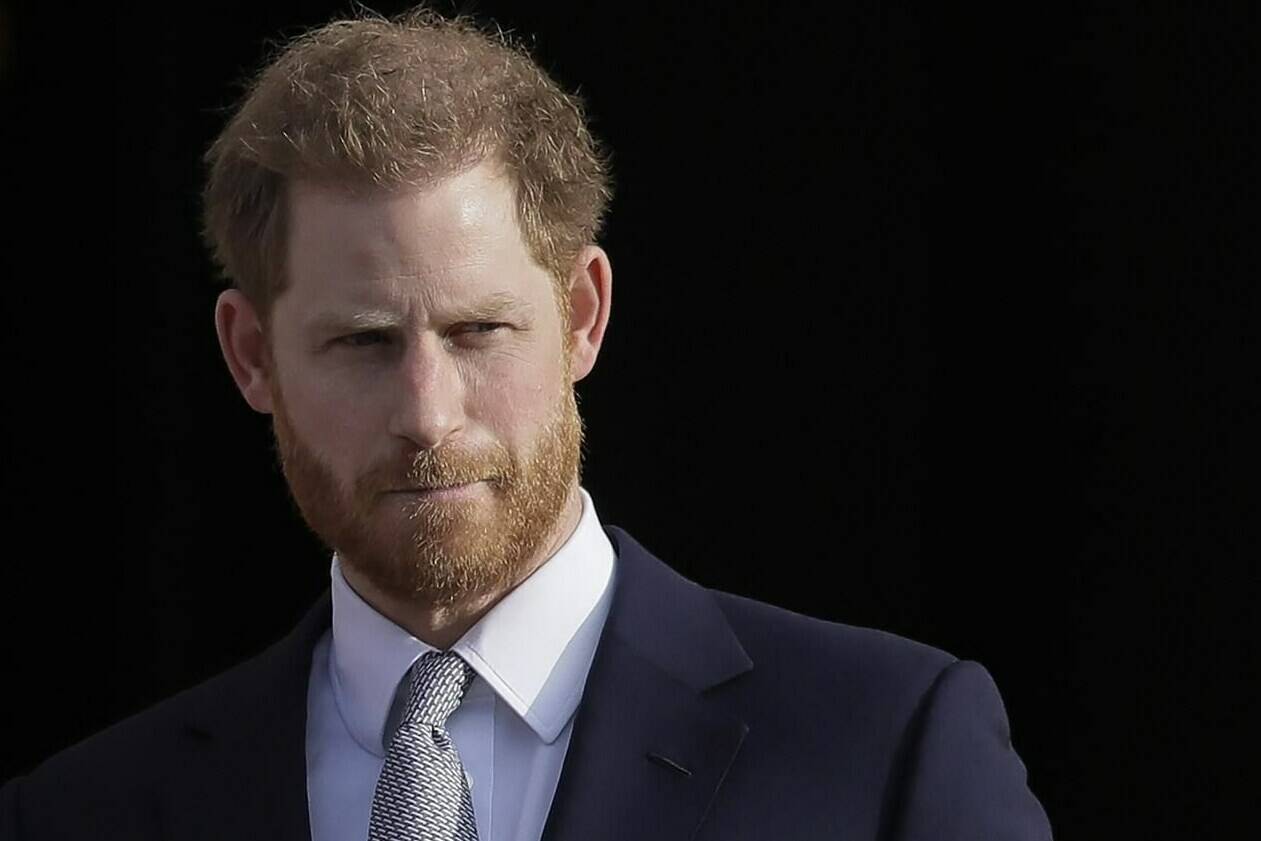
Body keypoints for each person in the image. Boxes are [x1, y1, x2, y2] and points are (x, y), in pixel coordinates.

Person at [1, 7, 1052, 840]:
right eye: (363, 343)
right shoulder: (85, 812)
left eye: (478, 329)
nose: (427, 412)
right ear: (249, 356)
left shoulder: (881, 750)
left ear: (583, 314)